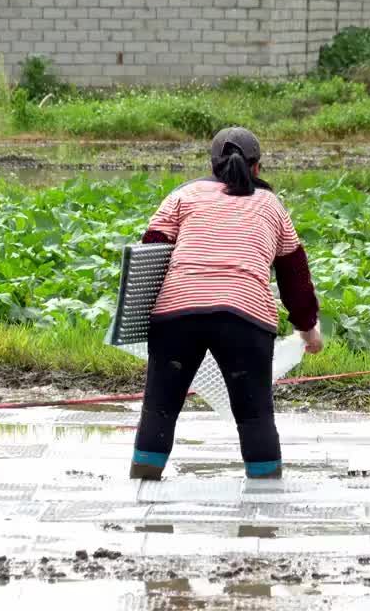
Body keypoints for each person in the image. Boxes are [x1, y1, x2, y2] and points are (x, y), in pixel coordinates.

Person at [131, 127, 322, 482]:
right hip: (245, 317)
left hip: (177, 314)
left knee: (159, 408)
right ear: (258, 169)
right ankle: (265, 502)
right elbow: (295, 276)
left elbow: (150, 250)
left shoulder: (182, 197)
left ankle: (143, 485)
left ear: (211, 164)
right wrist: (309, 331)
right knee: (255, 416)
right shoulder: (272, 206)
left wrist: (146, 321)